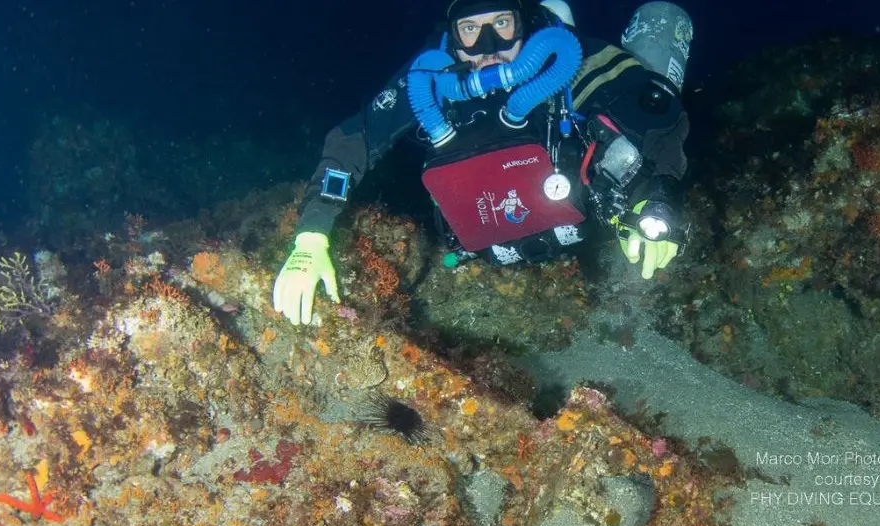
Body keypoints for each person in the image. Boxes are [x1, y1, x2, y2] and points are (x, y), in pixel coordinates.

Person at [274, 0, 695, 325]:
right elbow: (353, 142)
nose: (489, 48)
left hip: (585, 221)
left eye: (502, 25)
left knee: (625, 127)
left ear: (523, 21)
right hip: (486, 245)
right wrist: (312, 235)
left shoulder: (568, 56)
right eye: (471, 30)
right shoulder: (429, 78)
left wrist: (654, 199)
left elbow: (657, 118)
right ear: (453, 35)